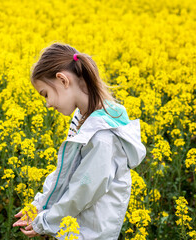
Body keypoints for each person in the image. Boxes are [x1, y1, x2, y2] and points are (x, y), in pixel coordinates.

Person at [13, 42, 146, 239]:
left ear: (62, 80)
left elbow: (82, 192)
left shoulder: (103, 136)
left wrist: (46, 221)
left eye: (46, 94)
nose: (48, 104)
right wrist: (40, 204)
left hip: (89, 234)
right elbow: (65, 173)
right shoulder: (84, 119)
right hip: (74, 228)